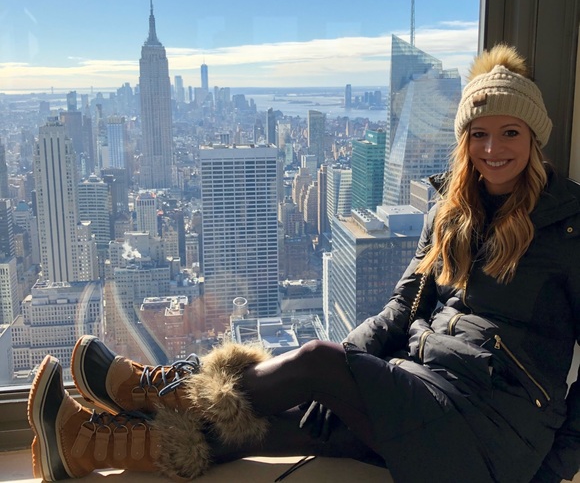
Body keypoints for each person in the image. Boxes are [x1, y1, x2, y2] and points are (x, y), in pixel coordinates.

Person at [28, 45, 580, 483]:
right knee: (293, 424)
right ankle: (85, 448)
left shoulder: (570, 227)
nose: (493, 149)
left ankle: (162, 391)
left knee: (316, 360)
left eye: (510, 132)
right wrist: (347, 379)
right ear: (464, 142)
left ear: (534, 137)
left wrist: (549, 472)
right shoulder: (450, 212)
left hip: (496, 430)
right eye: (479, 134)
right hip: (424, 390)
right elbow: (400, 309)